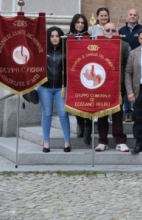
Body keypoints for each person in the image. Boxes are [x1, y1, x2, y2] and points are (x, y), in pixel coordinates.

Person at [95, 22, 130, 153]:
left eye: (113, 30)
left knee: (117, 115)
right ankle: (102, 141)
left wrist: (127, 87)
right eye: (107, 30)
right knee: (102, 115)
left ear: (117, 33)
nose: (110, 33)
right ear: (103, 32)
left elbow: (129, 68)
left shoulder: (125, 46)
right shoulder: (96, 46)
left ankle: (120, 141)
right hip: (101, 87)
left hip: (117, 88)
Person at [38, 26, 71, 153]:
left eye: (57, 36)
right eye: (52, 36)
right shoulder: (43, 51)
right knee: (46, 114)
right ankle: (46, 142)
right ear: (48, 38)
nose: (55, 38)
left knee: (63, 114)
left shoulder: (65, 50)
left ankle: (67, 142)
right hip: (45, 87)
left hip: (61, 87)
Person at [68, 13, 93, 144]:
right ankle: (80, 124)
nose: (80, 25)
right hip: (73, 75)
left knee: (87, 102)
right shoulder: (67, 37)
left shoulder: (89, 37)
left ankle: (88, 128)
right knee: (77, 102)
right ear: (73, 23)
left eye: (82, 23)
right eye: (78, 22)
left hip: (86, 74)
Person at [119, 8, 142, 122]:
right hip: (125, 63)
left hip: (139, 62)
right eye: (130, 14)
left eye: (135, 15)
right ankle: (128, 111)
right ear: (127, 16)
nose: (133, 16)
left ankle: (138, 110)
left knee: (138, 85)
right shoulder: (121, 31)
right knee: (127, 85)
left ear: (138, 17)